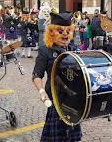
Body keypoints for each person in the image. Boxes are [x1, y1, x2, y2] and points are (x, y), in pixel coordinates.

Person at [32, 12, 82, 141]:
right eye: (60, 31)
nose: (65, 34)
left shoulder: (74, 49)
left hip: (73, 99)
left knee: (72, 136)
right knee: (55, 138)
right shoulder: (45, 50)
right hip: (56, 98)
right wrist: (42, 91)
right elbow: (36, 74)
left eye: (68, 31)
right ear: (52, 32)